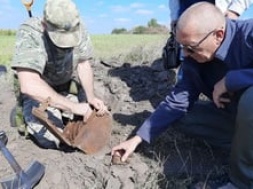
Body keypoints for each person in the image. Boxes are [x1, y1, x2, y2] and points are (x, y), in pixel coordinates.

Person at [112, 2, 253, 188]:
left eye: (191, 47)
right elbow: (177, 101)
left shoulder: (248, 33)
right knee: (183, 117)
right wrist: (137, 139)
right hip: (236, 120)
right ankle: (244, 149)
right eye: (182, 47)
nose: (185, 54)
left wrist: (231, 80)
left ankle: (242, 182)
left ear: (218, 35)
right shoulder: (193, 57)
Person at [11, 0, 107, 149]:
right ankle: (25, 111)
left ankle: (63, 108)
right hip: (39, 92)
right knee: (52, 139)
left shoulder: (79, 28)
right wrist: (75, 107)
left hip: (64, 86)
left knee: (82, 121)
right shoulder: (30, 32)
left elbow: (83, 64)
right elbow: (29, 84)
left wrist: (91, 98)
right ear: (44, 25)